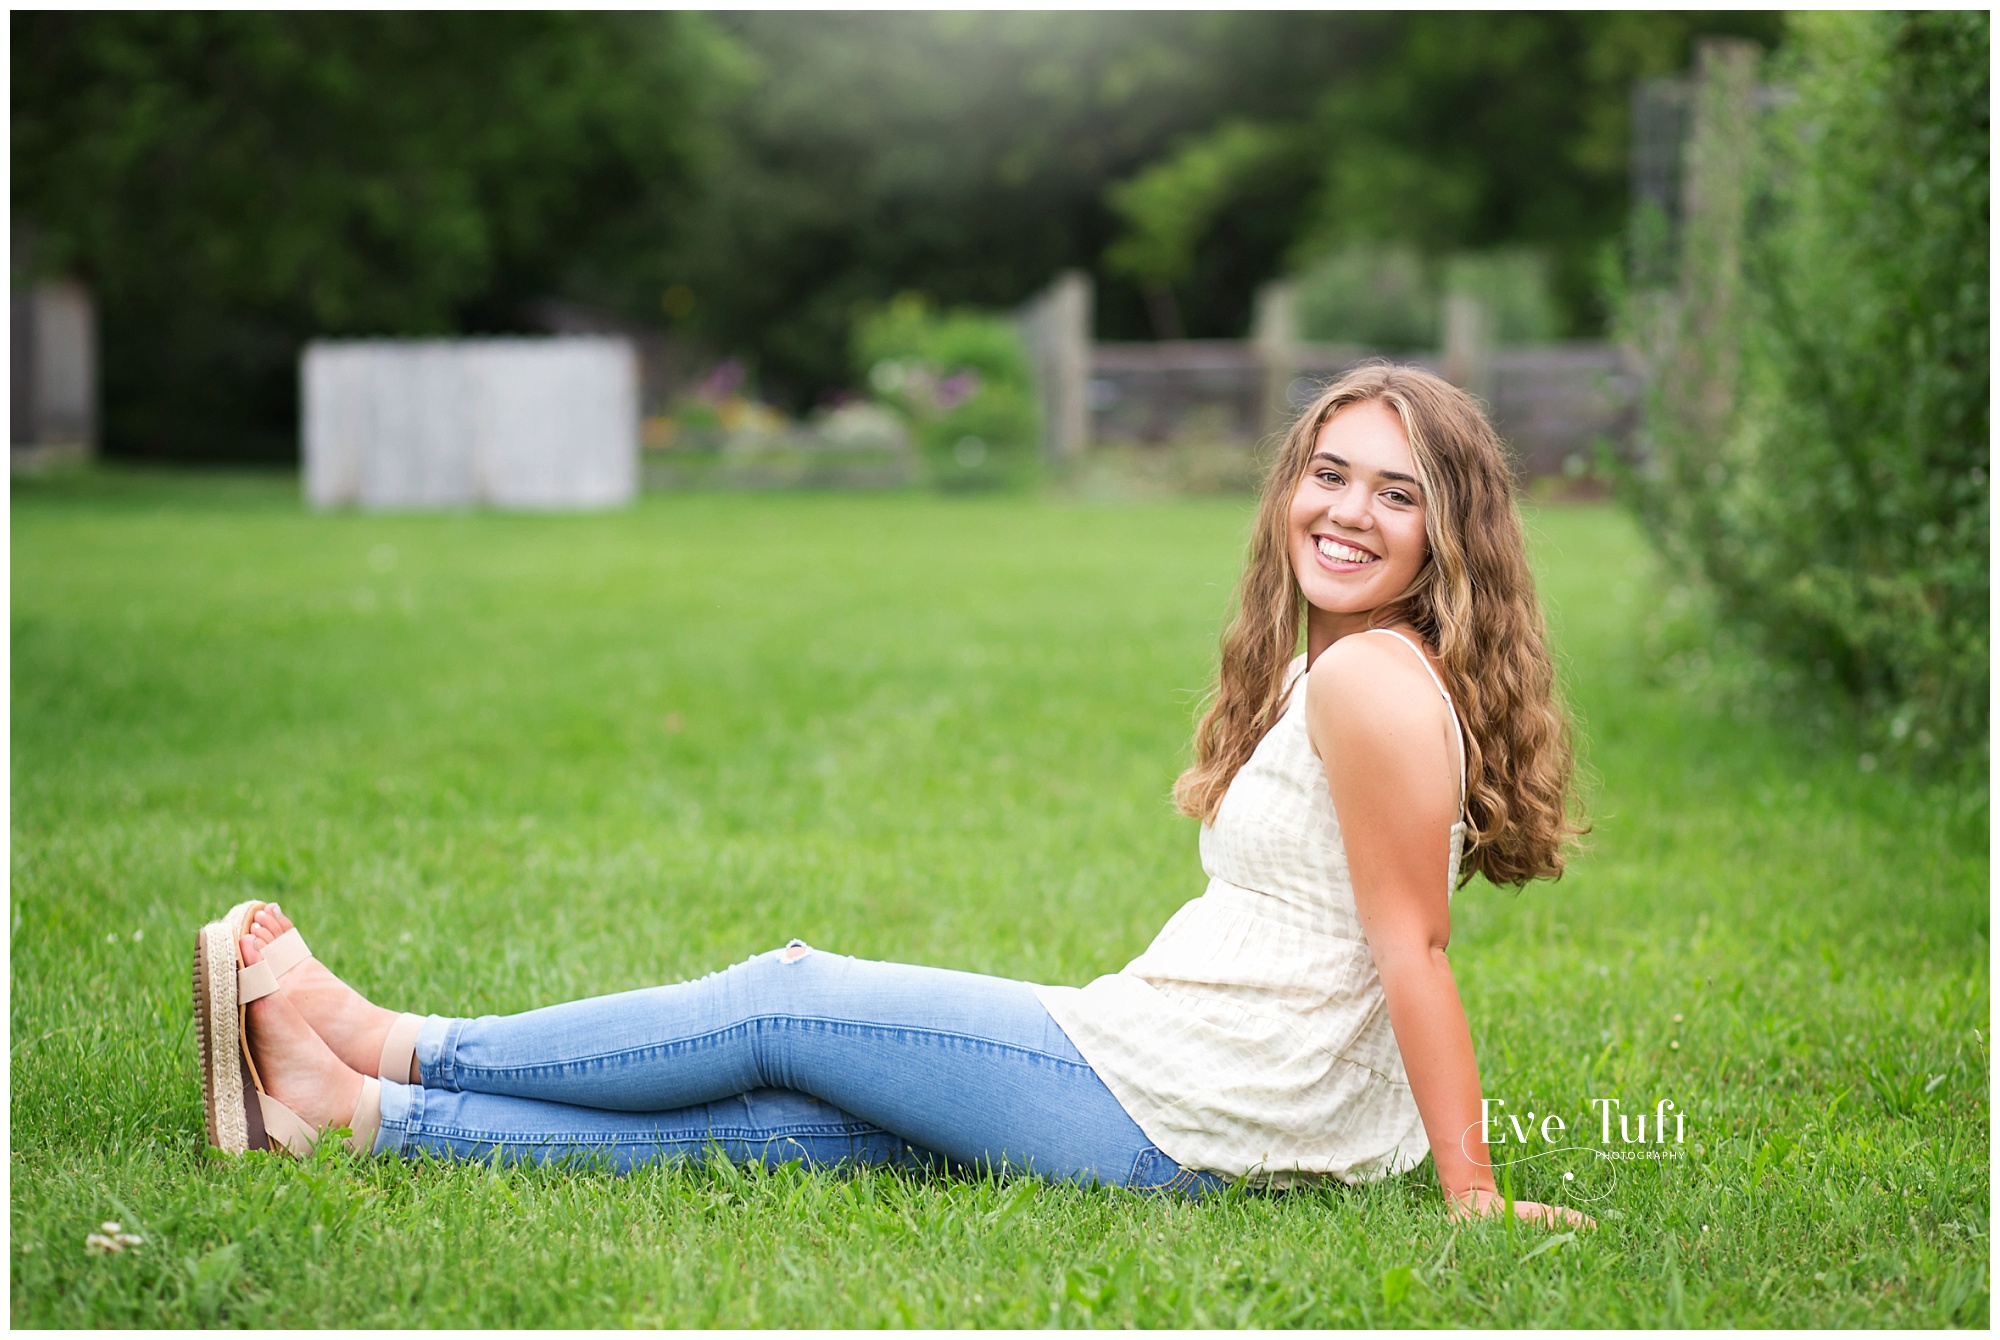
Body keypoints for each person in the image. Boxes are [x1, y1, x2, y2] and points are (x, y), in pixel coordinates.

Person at [192, 362, 1588, 1227]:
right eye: (1328, 474)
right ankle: (351, 1116)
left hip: (1201, 1101)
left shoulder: (1369, 684)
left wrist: (1469, 1194)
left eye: (1394, 496)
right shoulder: (1341, 664)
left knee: (786, 998)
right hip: (1193, 1082)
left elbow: (1413, 947)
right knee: (796, 1134)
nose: (1347, 511)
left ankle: (391, 1041)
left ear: (1445, 531)